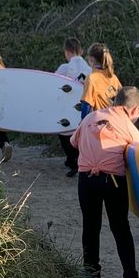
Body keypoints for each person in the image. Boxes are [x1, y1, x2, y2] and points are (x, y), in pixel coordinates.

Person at [69, 85, 139, 278]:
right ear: (135, 110)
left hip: (86, 178)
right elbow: (138, 154)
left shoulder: (89, 117)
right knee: (120, 227)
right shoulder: (129, 126)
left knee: (90, 226)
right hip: (112, 181)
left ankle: (91, 275)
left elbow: (74, 142)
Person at [55, 37, 89, 177]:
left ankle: (72, 160)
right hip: (85, 106)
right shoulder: (89, 68)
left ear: (66, 51)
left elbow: (54, 84)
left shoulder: (65, 68)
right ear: (80, 50)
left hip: (67, 106)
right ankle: (78, 160)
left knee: (63, 132)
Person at [79, 43, 121, 119]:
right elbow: (122, 98)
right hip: (115, 120)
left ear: (91, 59)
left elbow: (86, 104)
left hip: (100, 121)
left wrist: (83, 123)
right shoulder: (113, 77)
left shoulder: (91, 78)